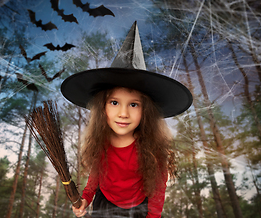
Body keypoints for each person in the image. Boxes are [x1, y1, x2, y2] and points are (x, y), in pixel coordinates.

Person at [61, 21, 192, 218]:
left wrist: (152, 217)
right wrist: (86, 198)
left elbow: (157, 192)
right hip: (104, 205)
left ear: (145, 111)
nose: (123, 113)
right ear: (102, 107)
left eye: (133, 104)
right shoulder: (101, 142)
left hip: (137, 209)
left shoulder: (153, 149)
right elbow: (97, 175)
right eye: (114, 102)